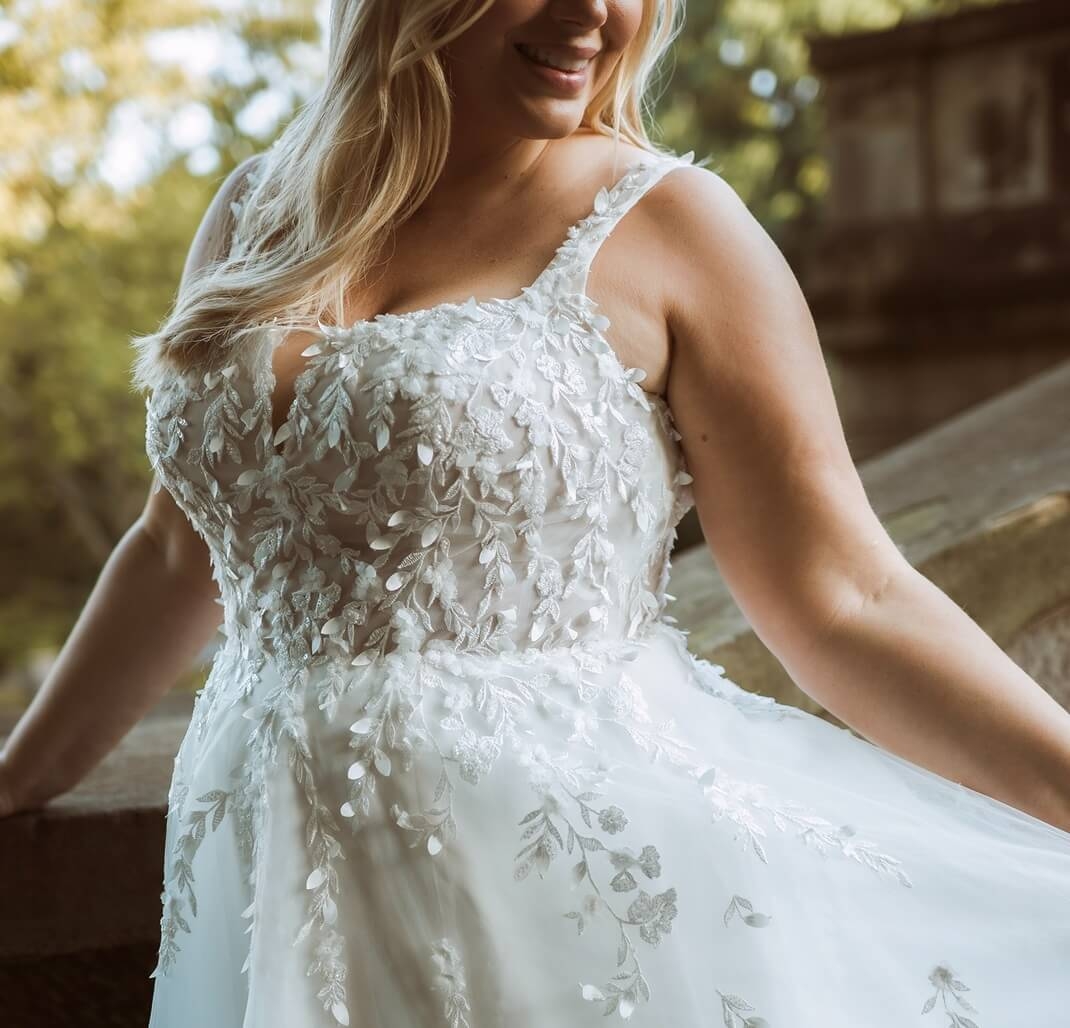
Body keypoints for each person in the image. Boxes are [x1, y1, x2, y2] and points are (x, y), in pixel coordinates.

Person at [3, 0, 1070, 1024]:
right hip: (262, 875)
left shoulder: (673, 226)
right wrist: (19, 776)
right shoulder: (253, 207)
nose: (593, 14)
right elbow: (179, 545)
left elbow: (848, 594)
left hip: (579, 902)